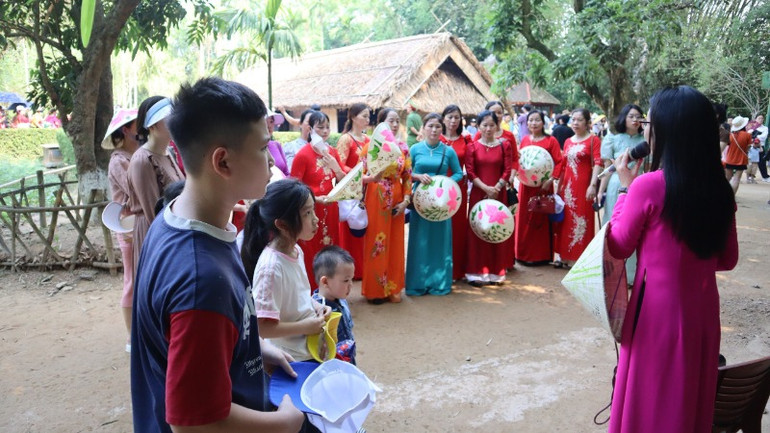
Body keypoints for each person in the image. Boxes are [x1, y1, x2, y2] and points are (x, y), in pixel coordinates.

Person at [131, 77, 305, 433]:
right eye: (263, 148)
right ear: (223, 162)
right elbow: (195, 424)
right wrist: (284, 423)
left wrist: (250, 349)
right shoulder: (202, 280)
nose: (272, 160)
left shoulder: (173, 217)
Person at [606, 85, 738, 433]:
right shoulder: (720, 189)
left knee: (650, 398)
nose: (645, 128)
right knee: (687, 397)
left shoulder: (647, 185)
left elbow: (618, 246)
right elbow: (727, 258)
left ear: (666, 131)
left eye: (649, 121)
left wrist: (623, 188)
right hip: (703, 310)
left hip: (656, 313)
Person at [244, 178, 332, 362]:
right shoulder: (271, 268)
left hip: (306, 349)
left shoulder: (295, 250)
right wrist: (305, 327)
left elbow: (296, 297)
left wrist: (315, 306)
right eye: (307, 213)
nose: (315, 219)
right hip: (288, 359)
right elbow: (262, 327)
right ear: (282, 224)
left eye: (313, 210)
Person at [126, 96, 185, 280]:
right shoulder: (142, 160)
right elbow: (153, 211)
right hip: (156, 235)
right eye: (168, 118)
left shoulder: (168, 153)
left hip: (173, 231)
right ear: (152, 126)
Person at [405, 113, 463, 296]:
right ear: (423, 128)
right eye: (430, 126)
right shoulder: (414, 149)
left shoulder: (448, 151)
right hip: (420, 202)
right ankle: (417, 284)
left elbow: (459, 173)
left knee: (440, 242)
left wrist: (443, 182)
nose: (434, 130)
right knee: (419, 242)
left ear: (442, 129)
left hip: (442, 203)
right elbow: (405, 173)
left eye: (438, 126)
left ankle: (439, 283)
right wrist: (416, 176)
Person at [361, 108, 411, 304]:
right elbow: (359, 177)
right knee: (376, 244)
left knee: (396, 243)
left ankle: (393, 287)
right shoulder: (368, 148)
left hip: (397, 198)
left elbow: (407, 176)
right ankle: (375, 291)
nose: (396, 124)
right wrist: (372, 178)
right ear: (381, 123)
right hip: (375, 198)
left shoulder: (403, 148)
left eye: (398, 121)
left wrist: (406, 200)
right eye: (391, 121)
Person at [290, 111, 345, 287]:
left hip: (331, 209)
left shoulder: (333, 152)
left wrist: (336, 168)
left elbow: (344, 181)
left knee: (331, 248)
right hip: (311, 210)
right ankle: (311, 290)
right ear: (310, 129)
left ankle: (330, 289)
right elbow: (293, 187)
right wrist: (315, 198)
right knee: (311, 248)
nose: (325, 131)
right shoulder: (303, 155)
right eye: (320, 127)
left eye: (327, 127)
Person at [103, 108, 140, 352]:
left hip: (141, 226)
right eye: (139, 126)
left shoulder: (136, 155)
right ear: (126, 130)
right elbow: (135, 190)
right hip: (128, 228)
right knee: (132, 280)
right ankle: (131, 338)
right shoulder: (119, 160)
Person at [464, 110, 515, 285]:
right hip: (480, 193)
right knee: (478, 229)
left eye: (491, 125)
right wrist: (486, 187)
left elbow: (507, 169)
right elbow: (470, 171)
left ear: (497, 126)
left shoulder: (505, 145)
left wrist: (498, 186)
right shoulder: (472, 146)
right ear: (478, 126)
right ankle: (476, 271)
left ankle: (496, 271)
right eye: (484, 125)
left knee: (496, 229)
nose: (488, 128)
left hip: (499, 194)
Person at [514, 110, 564, 266]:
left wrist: (551, 179)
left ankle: (540, 255)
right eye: (530, 120)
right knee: (524, 218)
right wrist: (517, 174)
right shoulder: (524, 140)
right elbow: (519, 160)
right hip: (526, 186)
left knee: (540, 219)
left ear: (543, 122)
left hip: (543, 186)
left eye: (537, 120)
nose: (533, 123)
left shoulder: (551, 141)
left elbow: (559, 162)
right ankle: (522, 254)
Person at [554, 108, 601, 268]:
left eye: (579, 120)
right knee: (565, 220)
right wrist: (558, 186)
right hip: (567, 186)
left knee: (581, 219)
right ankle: (564, 256)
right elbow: (563, 165)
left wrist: (592, 185)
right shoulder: (567, 141)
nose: (575, 123)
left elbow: (598, 163)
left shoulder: (594, 140)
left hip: (583, 186)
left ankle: (579, 259)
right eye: (573, 119)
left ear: (587, 123)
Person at [336, 103, 371, 280]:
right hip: (350, 189)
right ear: (353, 117)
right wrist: (360, 175)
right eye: (364, 115)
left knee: (364, 226)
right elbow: (340, 165)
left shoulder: (368, 140)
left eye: (368, 116)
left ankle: (364, 267)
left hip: (366, 188)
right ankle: (349, 269)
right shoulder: (346, 139)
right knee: (350, 228)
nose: (367, 119)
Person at [597, 104, 646, 221]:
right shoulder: (613, 139)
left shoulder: (646, 141)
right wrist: (600, 192)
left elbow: (649, 169)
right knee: (613, 218)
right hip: (616, 184)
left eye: (638, 117)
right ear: (624, 118)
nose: (635, 120)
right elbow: (607, 168)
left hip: (638, 184)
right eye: (631, 116)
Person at [440, 104, 471, 281]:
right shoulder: (436, 137)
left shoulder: (466, 141)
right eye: (450, 117)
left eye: (456, 117)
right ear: (443, 118)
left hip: (458, 187)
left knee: (457, 229)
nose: (453, 121)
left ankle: (456, 270)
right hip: (437, 189)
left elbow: (471, 165)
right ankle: (439, 268)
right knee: (439, 227)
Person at [311, 245, 357, 364]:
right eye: (346, 280)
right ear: (325, 281)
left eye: (352, 279)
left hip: (347, 358)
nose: (351, 285)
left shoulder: (341, 299)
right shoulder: (316, 310)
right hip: (331, 366)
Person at [723, 115, 752, 194]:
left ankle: (722, 194)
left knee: (727, 178)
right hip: (741, 159)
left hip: (729, 158)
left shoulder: (730, 135)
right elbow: (748, 148)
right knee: (736, 179)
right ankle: (731, 197)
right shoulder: (748, 135)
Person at [267, 110, 289, 176]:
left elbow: (286, 172)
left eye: (271, 121)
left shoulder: (276, 145)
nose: (269, 126)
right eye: (265, 122)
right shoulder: (252, 148)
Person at [747, 114, 769, 182]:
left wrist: (755, 137)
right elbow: (748, 134)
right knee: (751, 162)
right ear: (756, 119)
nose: (761, 119)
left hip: (760, 146)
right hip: (751, 146)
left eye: (762, 118)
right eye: (759, 118)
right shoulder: (751, 127)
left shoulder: (765, 128)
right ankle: (749, 177)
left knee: (762, 162)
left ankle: (765, 177)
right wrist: (754, 136)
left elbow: (764, 137)